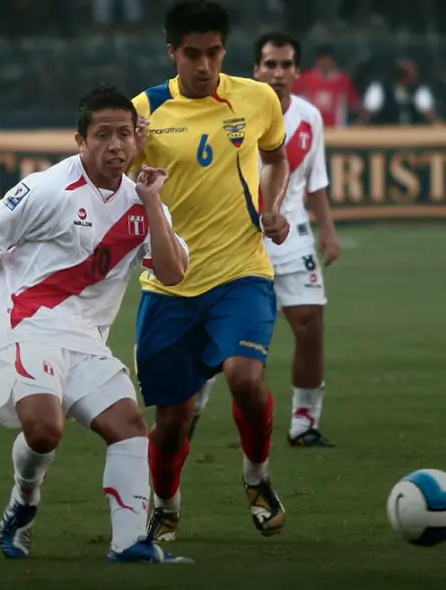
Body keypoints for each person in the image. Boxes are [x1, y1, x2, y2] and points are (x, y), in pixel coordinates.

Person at [0, 83, 193, 564]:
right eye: (103, 135)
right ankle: (23, 501)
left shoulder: (143, 200)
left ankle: (130, 543)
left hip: (87, 339)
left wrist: (152, 201)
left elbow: (172, 273)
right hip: (27, 325)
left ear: (138, 138)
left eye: (124, 135)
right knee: (45, 432)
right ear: (80, 140)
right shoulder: (47, 188)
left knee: (131, 429)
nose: (116, 146)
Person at [129, 0, 291, 542]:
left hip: (242, 271)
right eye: (192, 54)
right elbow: (106, 181)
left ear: (225, 50)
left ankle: (257, 478)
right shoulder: (144, 112)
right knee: (172, 422)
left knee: (246, 377)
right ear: (172, 52)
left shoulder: (257, 98)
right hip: (170, 287)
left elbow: (276, 157)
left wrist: (272, 207)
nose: (204, 64)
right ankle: (166, 504)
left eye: (214, 52)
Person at [191, 32, 341, 448]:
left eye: (286, 65)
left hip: (292, 236)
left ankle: (304, 421)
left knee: (311, 324)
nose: (278, 73)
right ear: (256, 69)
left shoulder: (310, 116)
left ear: (297, 71)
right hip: (236, 239)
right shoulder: (234, 110)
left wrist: (327, 229)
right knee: (214, 337)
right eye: (270, 64)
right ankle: (193, 407)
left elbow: (316, 181)